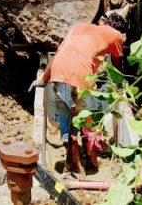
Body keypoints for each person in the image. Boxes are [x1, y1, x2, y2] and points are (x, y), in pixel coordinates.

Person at [34, 23, 125, 174]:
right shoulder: (116, 35)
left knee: (68, 119)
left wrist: (43, 80)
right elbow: (116, 64)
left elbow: (57, 55)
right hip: (80, 76)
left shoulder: (78, 28)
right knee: (86, 121)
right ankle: (91, 161)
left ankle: (72, 163)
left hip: (58, 73)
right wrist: (119, 85)